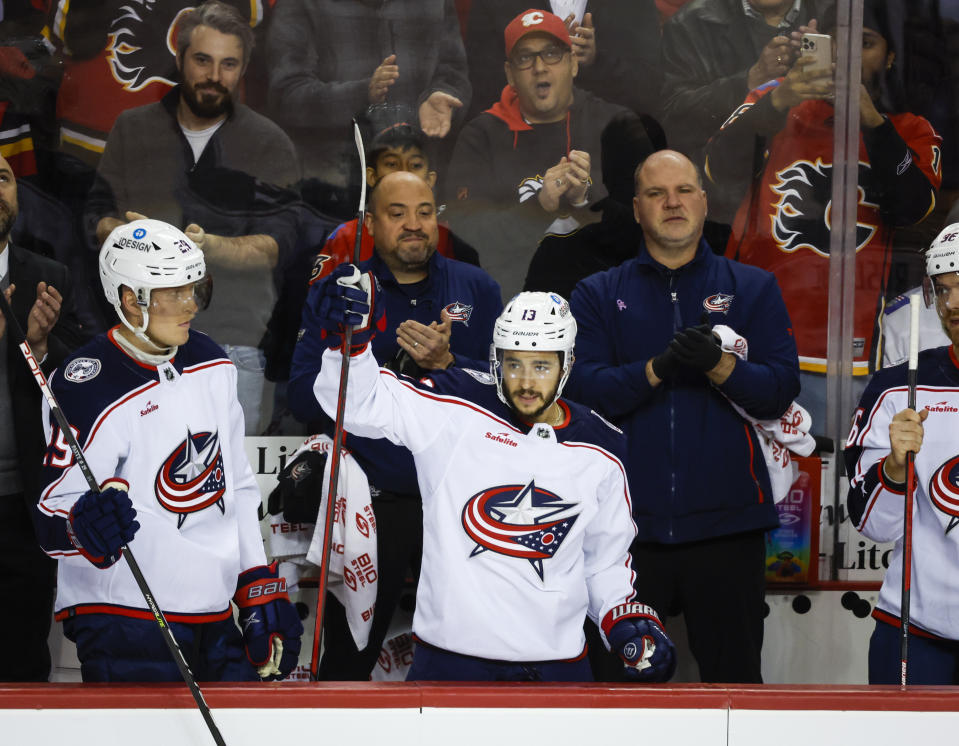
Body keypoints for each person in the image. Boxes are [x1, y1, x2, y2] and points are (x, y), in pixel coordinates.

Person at [298, 279, 677, 682]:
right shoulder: (454, 405)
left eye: (542, 366)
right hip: (448, 666)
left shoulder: (603, 447)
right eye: (514, 364)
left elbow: (603, 562)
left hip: (558, 671)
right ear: (495, 360)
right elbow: (359, 404)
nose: (527, 383)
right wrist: (350, 346)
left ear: (567, 364)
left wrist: (622, 617)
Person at [33, 218, 302, 682]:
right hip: (124, 613)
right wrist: (82, 527)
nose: (191, 306)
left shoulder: (212, 361)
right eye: (172, 293)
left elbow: (234, 482)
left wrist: (255, 581)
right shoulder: (86, 385)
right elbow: (49, 520)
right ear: (127, 298)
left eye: (195, 289)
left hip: (213, 611)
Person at [566, 150, 800, 683]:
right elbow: (581, 394)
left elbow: (780, 390)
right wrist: (657, 369)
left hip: (728, 528)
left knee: (735, 687)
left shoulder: (753, 286)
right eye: (655, 193)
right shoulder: (598, 293)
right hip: (622, 534)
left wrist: (720, 366)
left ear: (703, 199)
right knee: (615, 697)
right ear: (636, 209)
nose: (672, 202)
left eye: (683, 190)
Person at [288, 171, 502, 680]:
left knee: (473, 652)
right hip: (373, 503)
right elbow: (300, 395)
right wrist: (357, 356)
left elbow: (510, 399)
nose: (414, 225)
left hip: (459, 506)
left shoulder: (477, 286)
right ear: (369, 223)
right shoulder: (340, 291)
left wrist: (447, 365)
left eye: (424, 212)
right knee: (347, 662)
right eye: (397, 212)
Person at [704, 0, 942, 431]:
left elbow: (914, 209)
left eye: (865, 43)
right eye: (838, 43)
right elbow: (717, 170)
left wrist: (872, 121)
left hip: (847, 353)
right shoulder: (773, 102)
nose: (849, 55)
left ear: (890, 57)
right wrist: (780, 98)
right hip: (751, 340)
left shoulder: (909, 129)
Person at [85, 0, 300, 434]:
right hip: (139, 338)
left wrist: (204, 248)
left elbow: (279, 244)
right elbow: (95, 217)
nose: (214, 76)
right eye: (203, 60)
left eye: (228, 64)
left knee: (233, 480)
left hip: (235, 343)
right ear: (179, 57)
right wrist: (134, 236)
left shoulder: (269, 142)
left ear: (242, 69)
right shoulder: (132, 128)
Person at [446, 8, 652, 300]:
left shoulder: (618, 127)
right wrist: (538, 207)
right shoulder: (481, 136)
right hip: (514, 306)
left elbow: (646, 231)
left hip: (606, 305)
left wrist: (588, 201)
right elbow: (467, 240)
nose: (540, 67)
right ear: (510, 74)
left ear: (573, 64)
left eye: (552, 54)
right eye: (525, 58)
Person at [845, 222, 959, 684]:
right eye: (944, 289)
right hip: (916, 627)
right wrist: (893, 468)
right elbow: (872, 524)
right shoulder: (898, 387)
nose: (953, 304)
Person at [0, 154, 83, 681]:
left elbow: (84, 372)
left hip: (23, 505)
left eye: (3, 178)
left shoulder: (48, 278)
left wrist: (38, 344)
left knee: (23, 654)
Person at [265, 0, 470, 194]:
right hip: (334, 190)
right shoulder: (301, 3)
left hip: (417, 185)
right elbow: (287, 95)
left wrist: (443, 94)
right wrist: (361, 95)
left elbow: (454, 72)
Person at [660, 0, 831, 216]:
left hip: (815, 192)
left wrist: (826, 63)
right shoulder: (691, 23)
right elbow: (674, 121)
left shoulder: (838, 15)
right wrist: (751, 80)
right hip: (725, 201)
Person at [464, 1, 664, 119]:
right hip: (519, 144)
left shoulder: (633, 5)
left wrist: (595, 60)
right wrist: (539, 57)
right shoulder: (495, 4)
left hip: (612, 143)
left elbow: (650, 89)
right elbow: (481, 87)